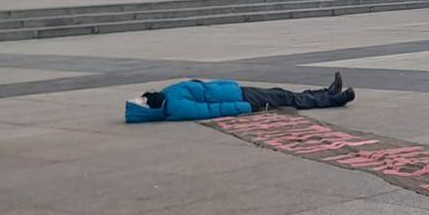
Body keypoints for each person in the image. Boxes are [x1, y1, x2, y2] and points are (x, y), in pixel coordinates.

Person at [125, 74, 355, 123]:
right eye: (144, 102)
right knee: (287, 99)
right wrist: (243, 106)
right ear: (151, 108)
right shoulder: (176, 108)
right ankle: (334, 98)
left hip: (238, 90)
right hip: (244, 99)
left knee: (283, 93)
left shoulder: (169, 93)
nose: (146, 97)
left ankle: (327, 92)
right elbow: (211, 111)